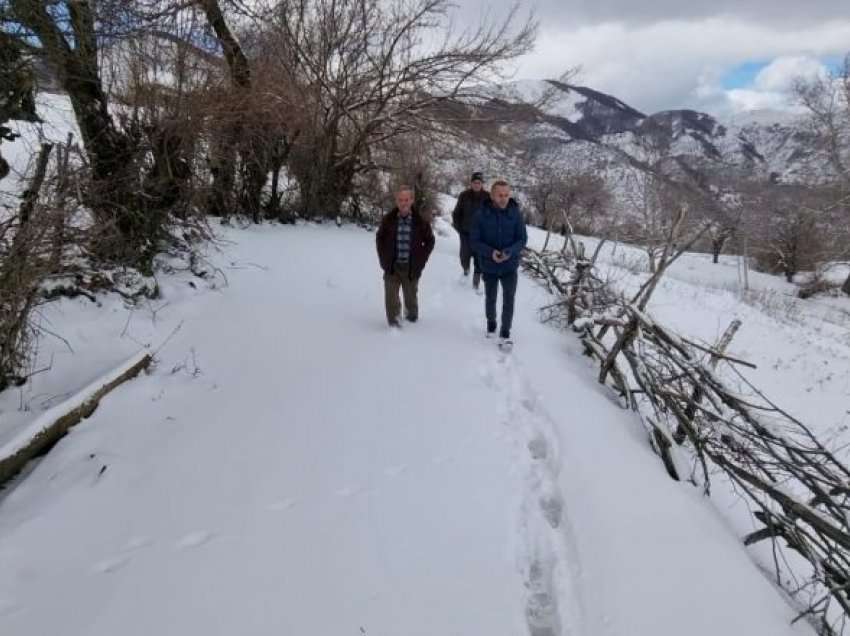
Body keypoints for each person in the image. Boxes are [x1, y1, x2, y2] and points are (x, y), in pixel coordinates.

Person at [471, 179, 528, 348]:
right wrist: (491, 252)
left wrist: (509, 252)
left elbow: (522, 239)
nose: (503, 198)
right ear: (492, 195)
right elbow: (474, 240)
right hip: (489, 265)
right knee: (491, 297)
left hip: (509, 266)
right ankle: (491, 324)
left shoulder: (515, 213)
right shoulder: (481, 214)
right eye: (499, 195)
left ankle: (505, 331)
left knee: (509, 299)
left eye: (506, 195)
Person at [376, 185, 436, 327]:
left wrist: (421, 260)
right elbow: (380, 238)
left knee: (410, 298)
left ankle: (412, 324)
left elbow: (430, 240)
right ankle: (394, 325)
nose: (403, 203)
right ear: (396, 201)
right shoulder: (388, 220)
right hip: (392, 266)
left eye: (406, 199)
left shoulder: (420, 221)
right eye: (400, 200)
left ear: (412, 200)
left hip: (411, 267)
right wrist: (384, 260)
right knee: (391, 298)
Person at [452, 172, 489, 290]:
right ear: (471, 183)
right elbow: (456, 213)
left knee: (479, 259)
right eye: (475, 182)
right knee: (464, 256)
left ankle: (476, 282)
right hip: (465, 233)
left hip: (481, 236)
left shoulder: (488, 197)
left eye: (479, 183)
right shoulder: (464, 195)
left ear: (482, 184)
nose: (477, 185)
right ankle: (466, 270)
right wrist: (459, 229)